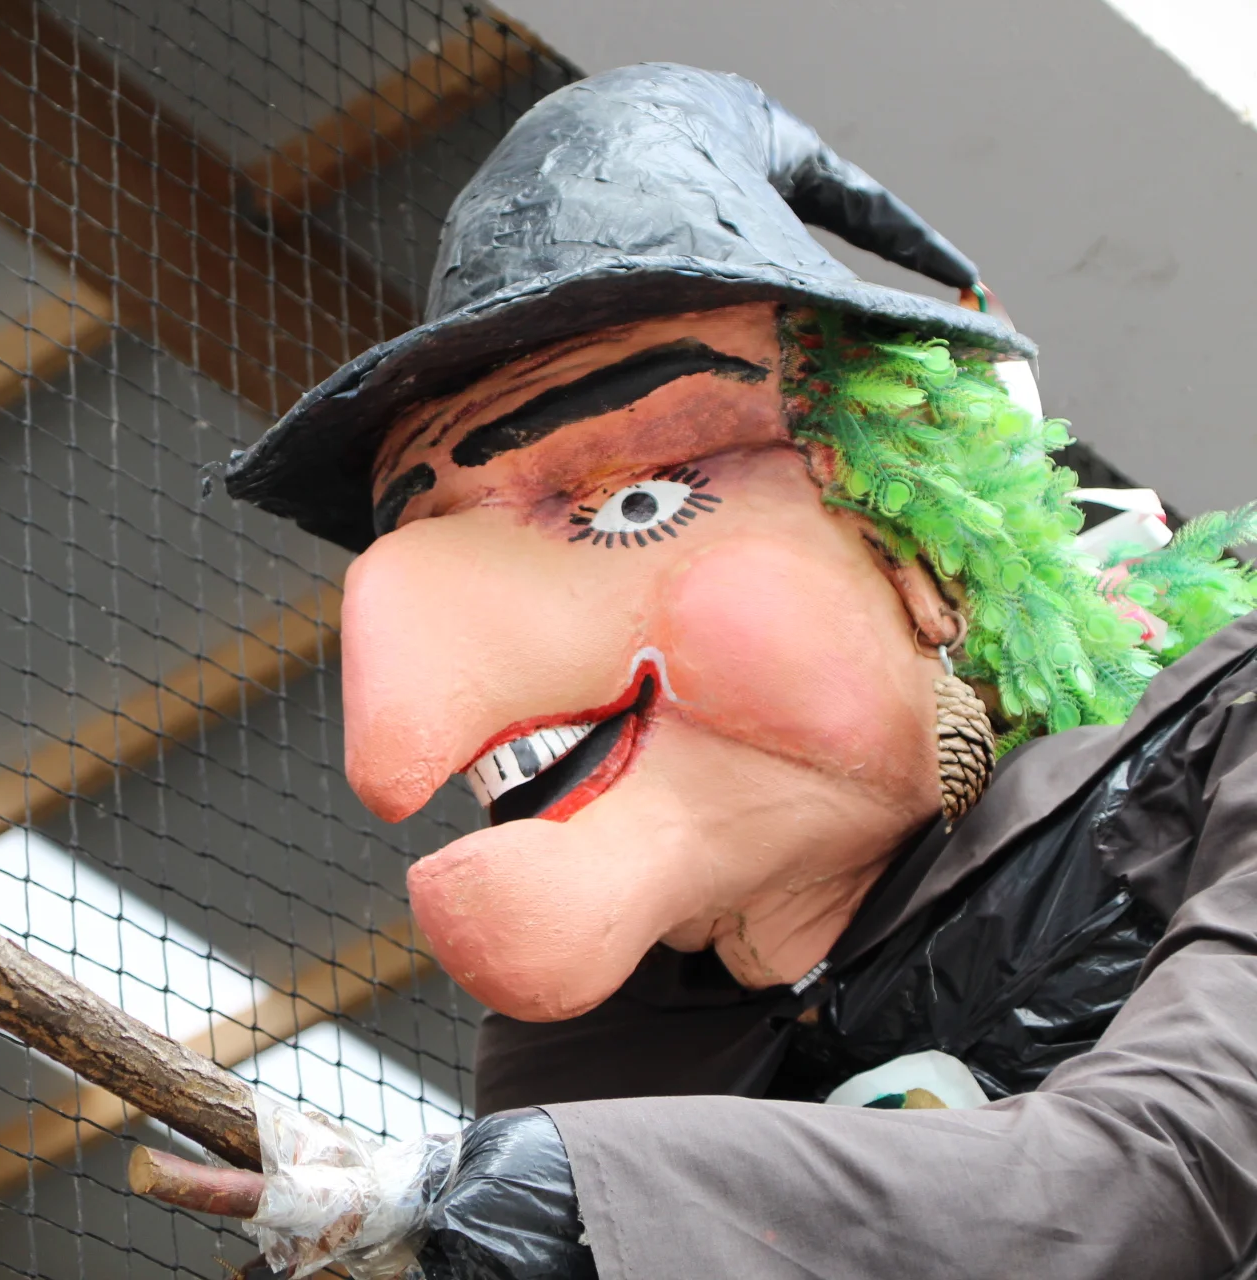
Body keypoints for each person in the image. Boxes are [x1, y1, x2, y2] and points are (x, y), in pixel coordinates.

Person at [193, 63, 1257, 1277]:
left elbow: (1169, 1165)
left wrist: (577, 1195)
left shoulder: (1227, 729)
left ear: (916, 547)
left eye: (638, 501)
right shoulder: (614, 1049)